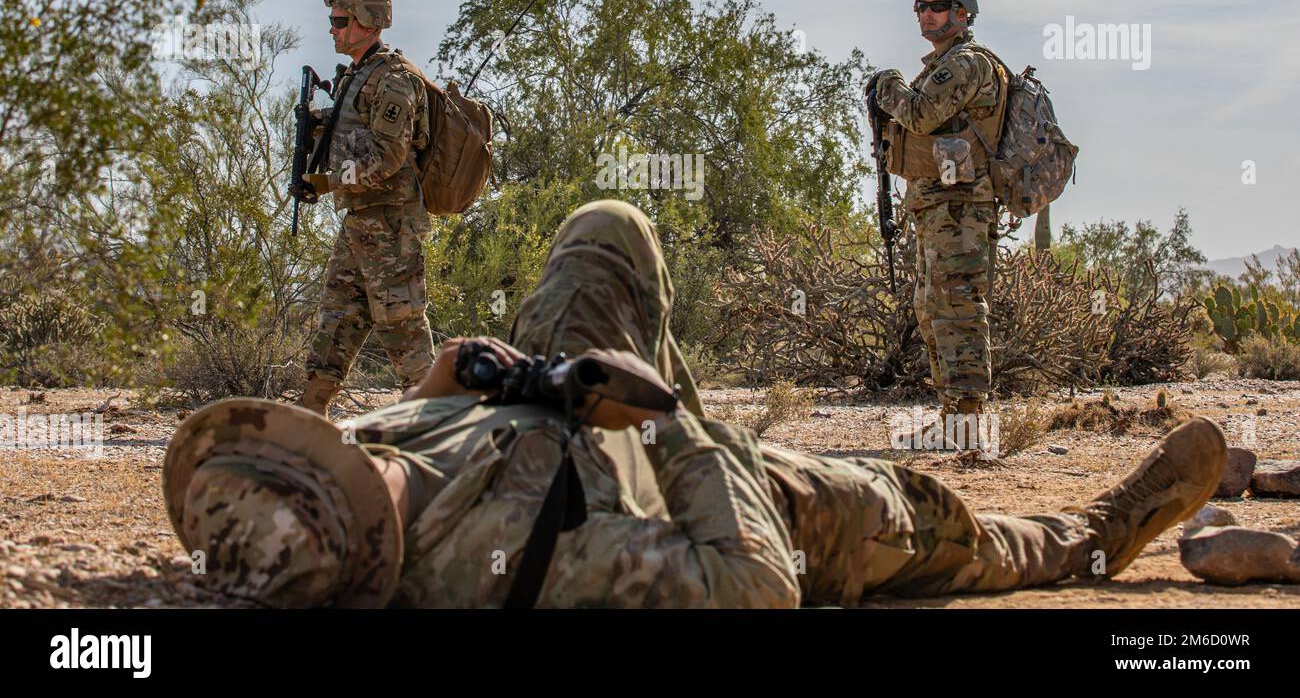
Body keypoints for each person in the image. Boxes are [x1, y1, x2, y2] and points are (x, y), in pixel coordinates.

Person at [164, 200, 1226, 608]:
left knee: (604, 228)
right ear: (368, 536)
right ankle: (1097, 530)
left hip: (565, 403)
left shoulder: (347, 468)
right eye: (342, 464)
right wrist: (679, 427)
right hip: (727, 494)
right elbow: (752, 583)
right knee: (946, 527)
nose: (352, 448)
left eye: (325, 447)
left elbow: (392, 437)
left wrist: (449, 380)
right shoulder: (499, 559)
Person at [866, 0, 1008, 450]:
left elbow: (921, 113)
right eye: (920, 6)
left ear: (963, 13)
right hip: (937, 205)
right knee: (932, 309)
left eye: (937, 5)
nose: (926, 13)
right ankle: (953, 417)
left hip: (960, 209)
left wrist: (887, 85)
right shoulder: (942, 65)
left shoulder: (966, 64)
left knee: (957, 308)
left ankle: (968, 423)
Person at [296, 0, 436, 417]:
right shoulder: (358, 75)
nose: (332, 30)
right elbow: (356, 137)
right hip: (361, 222)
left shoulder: (393, 80)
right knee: (338, 318)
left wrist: (328, 181)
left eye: (340, 21)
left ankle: (435, 416)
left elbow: (387, 157)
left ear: (367, 22)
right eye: (333, 20)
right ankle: (311, 412)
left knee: (401, 325)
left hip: (391, 224)